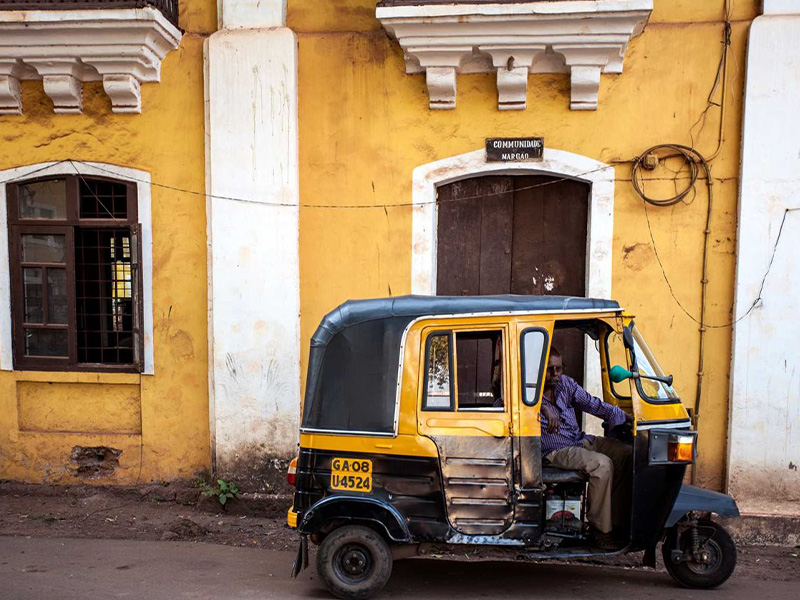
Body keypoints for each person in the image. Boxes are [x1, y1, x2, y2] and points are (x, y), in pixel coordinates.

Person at [539, 347, 633, 550]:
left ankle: (615, 522)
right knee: (601, 464)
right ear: (538, 369)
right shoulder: (524, 391)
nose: (556, 374)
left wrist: (626, 418)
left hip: (579, 440)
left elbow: (593, 404)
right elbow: (501, 402)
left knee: (626, 454)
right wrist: (540, 406)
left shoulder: (566, 384)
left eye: (559, 368)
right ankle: (600, 530)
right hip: (554, 452)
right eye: (550, 370)